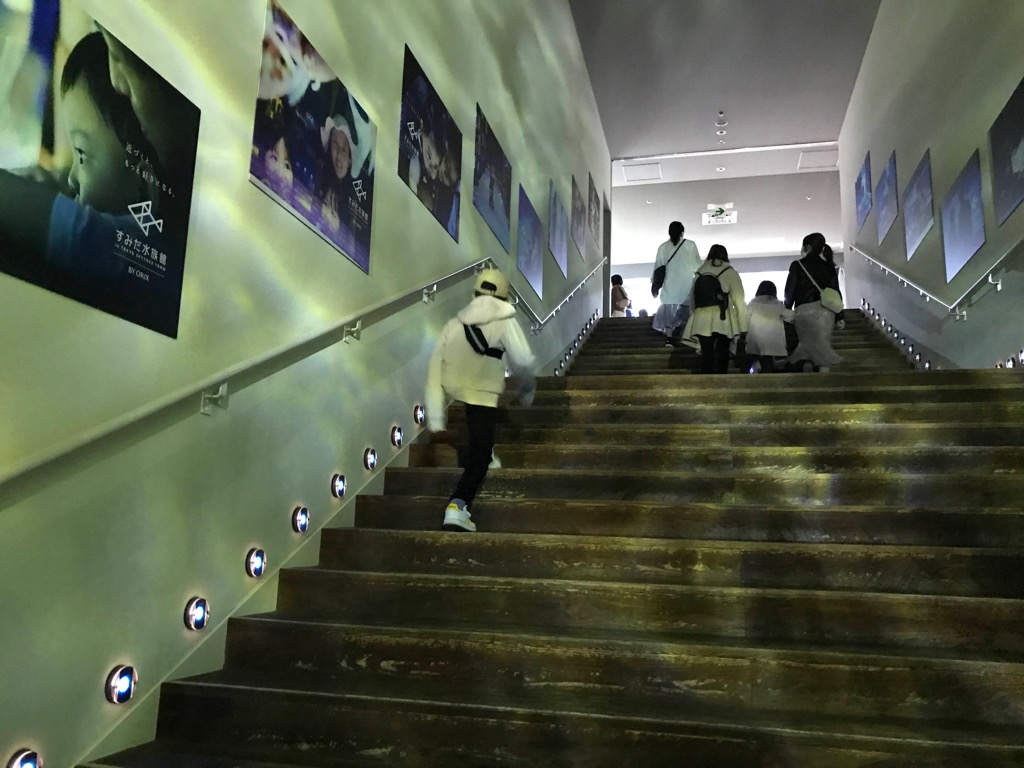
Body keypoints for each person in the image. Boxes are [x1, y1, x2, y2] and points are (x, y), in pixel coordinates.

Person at [425, 269, 537, 532]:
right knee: (480, 453)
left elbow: (434, 365)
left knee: (479, 434)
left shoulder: (455, 322)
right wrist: (527, 390)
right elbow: (522, 359)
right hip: (484, 391)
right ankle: (458, 505)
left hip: (459, 387)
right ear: (504, 297)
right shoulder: (505, 318)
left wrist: (435, 414)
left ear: (474, 293)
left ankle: (488, 459)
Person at [682, 244, 748, 373]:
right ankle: (721, 381)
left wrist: (693, 316)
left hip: (701, 318)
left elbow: (693, 298)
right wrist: (743, 326)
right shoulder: (729, 271)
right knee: (722, 353)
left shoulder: (700, 272)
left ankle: (707, 381)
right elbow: (739, 299)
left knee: (707, 355)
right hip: (722, 316)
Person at [785, 234, 844, 372]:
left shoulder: (797, 265)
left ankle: (808, 379)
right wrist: (840, 315)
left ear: (808, 247)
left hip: (804, 312)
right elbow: (835, 291)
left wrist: (787, 308)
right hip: (826, 313)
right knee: (822, 348)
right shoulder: (829, 266)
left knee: (807, 348)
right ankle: (823, 382)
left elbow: (790, 289)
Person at [651, 220, 701, 345]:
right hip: (686, 285)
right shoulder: (690, 245)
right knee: (685, 312)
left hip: (670, 286)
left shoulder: (663, 247)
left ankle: (669, 338)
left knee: (668, 312)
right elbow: (697, 266)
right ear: (682, 232)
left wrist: (654, 283)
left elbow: (658, 267)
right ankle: (685, 337)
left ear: (669, 232)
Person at [746, 280, 793, 373]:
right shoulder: (778, 306)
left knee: (760, 359)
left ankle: (757, 369)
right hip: (773, 341)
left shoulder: (751, 305)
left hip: (756, 341)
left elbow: (744, 319)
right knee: (769, 362)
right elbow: (791, 317)